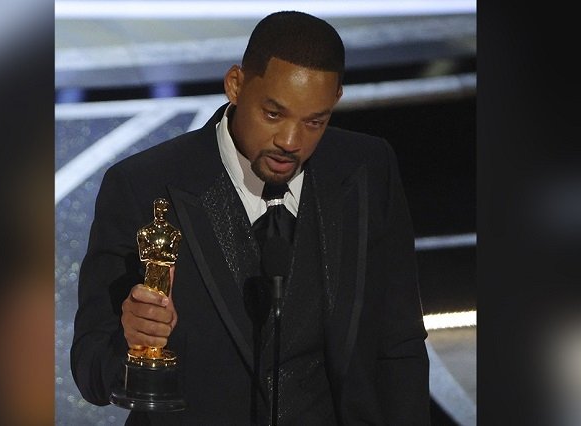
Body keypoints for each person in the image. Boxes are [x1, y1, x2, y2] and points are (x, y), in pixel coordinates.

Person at [71, 10, 429, 425]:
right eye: (273, 114)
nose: (290, 142)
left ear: (336, 100)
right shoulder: (143, 185)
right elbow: (91, 370)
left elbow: (399, 342)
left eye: (314, 121)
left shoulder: (367, 168)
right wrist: (133, 344)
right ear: (235, 84)